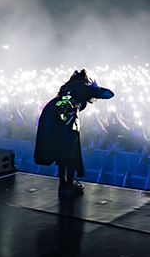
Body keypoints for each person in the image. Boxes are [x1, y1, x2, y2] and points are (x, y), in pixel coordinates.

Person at [34, 69, 114, 197]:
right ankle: (69, 185)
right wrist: (95, 87)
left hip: (56, 125)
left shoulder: (67, 89)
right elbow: (109, 94)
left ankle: (63, 184)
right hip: (67, 127)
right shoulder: (83, 89)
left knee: (61, 155)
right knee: (71, 155)